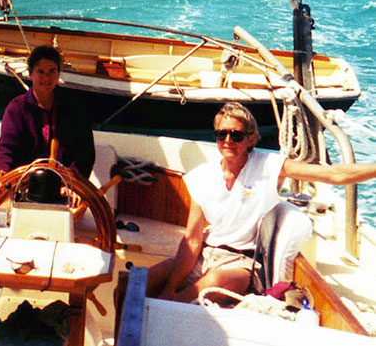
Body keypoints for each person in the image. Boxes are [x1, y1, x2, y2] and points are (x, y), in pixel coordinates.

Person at [146, 101, 376, 303]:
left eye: (236, 135)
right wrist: (170, 287)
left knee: (196, 291)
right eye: (221, 134)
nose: (227, 140)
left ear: (251, 139)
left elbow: (335, 175)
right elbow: (193, 240)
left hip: (243, 263)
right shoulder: (202, 176)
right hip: (206, 254)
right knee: (135, 283)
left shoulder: (270, 167)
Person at [0, 46, 95, 202]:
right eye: (40, 71)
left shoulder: (74, 107)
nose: (46, 78)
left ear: (58, 74)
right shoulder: (16, 109)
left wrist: (72, 184)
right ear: (30, 74)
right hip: (25, 185)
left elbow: (84, 153)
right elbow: (7, 149)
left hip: (64, 187)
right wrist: (2, 174)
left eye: (52, 71)